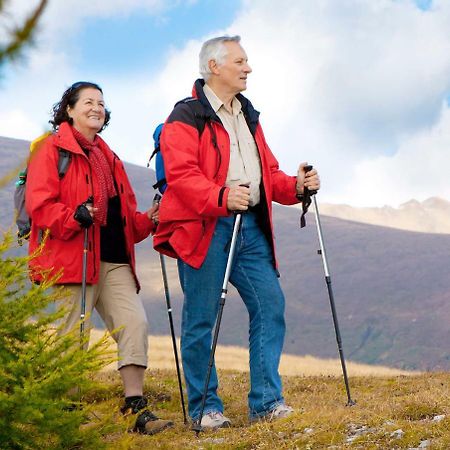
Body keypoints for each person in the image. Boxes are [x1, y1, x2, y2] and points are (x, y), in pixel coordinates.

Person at [153, 36, 321, 428]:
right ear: (214, 67)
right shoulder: (186, 116)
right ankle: (205, 408)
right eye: (240, 61)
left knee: (270, 305)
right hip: (204, 227)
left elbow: (267, 173)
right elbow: (180, 177)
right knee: (201, 319)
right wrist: (221, 197)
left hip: (250, 228)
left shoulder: (248, 115)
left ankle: (266, 401)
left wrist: (296, 186)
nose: (248, 68)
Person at [25, 81, 173, 435]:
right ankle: (66, 412)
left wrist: (149, 219)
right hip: (71, 256)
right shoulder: (50, 150)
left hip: (112, 258)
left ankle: (134, 406)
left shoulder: (109, 156)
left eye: (101, 103)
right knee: (71, 335)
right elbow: (40, 206)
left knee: (134, 323)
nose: (97, 108)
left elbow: (123, 221)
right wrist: (73, 216)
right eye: (88, 102)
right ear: (70, 110)